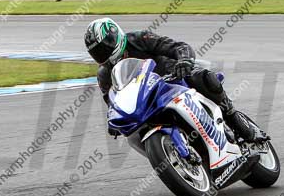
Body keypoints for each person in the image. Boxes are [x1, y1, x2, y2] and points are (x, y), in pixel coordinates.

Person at [84, 18, 267, 142]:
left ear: (114, 36)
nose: (103, 54)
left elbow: (177, 46)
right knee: (132, 134)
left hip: (173, 79)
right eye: (97, 52)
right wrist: (114, 122)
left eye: (104, 47)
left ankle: (233, 117)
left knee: (203, 77)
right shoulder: (104, 75)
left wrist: (184, 61)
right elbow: (112, 103)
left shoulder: (139, 39)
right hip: (147, 102)